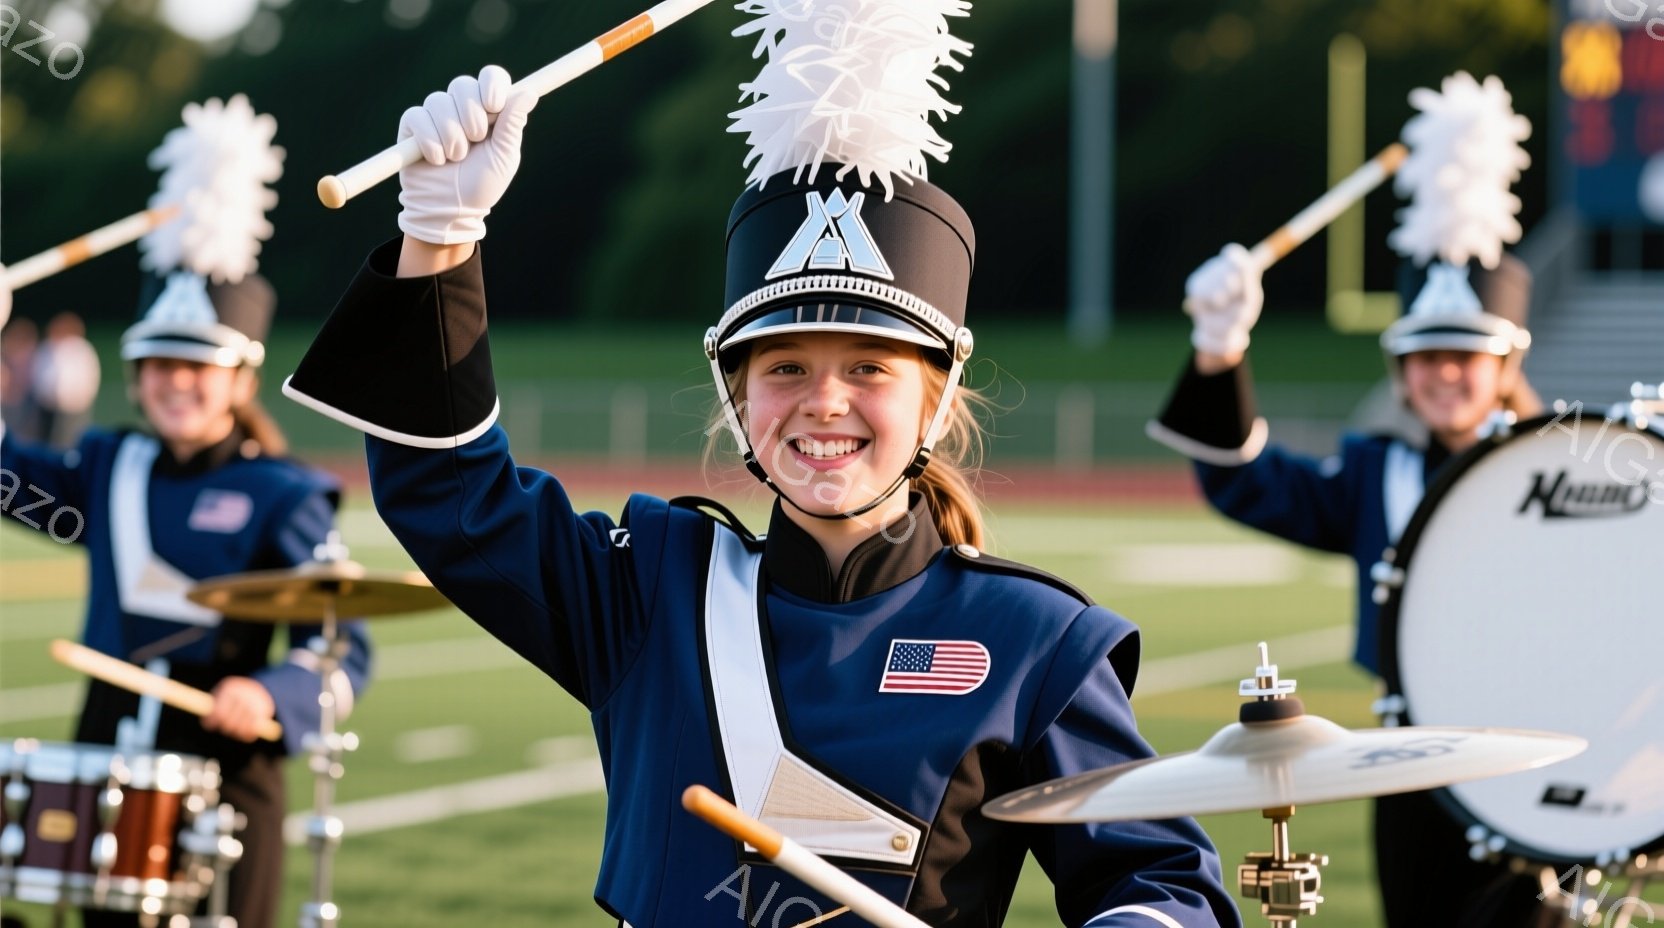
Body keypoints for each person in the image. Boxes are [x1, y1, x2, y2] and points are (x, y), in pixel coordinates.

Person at [284, 56, 1240, 928]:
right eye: (784, 367)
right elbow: (450, 499)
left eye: (870, 366)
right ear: (737, 400)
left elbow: (1161, 885)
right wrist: (440, 237)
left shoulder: (1035, 639)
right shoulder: (646, 593)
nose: (824, 402)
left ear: (938, 400)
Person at [0, 97, 371, 928]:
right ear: (133, 376)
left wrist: (273, 694)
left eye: (199, 366)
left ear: (241, 378)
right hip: (106, 771)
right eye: (159, 363)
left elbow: (344, 650)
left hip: (227, 784)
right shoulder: (107, 467)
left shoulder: (286, 492)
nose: (177, 381)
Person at [1148, 243, 1548, 927]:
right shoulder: (1374, 472)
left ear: (1506, 364)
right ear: (1399, 371)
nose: (1445, 372)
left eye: (1466, 355)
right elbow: (1250, 484)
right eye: (1425, 356)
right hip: (1406, 765)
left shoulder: (1553, 466)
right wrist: (1219, 348)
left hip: (1532, 753)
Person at [30, 310, 101, 449]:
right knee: (48, 442)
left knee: (72, 441)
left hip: (74, 407)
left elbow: (90, 375)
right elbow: (38, 375)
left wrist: (81, 397)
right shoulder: (46, 349)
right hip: (49, 408)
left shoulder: (81, 350)